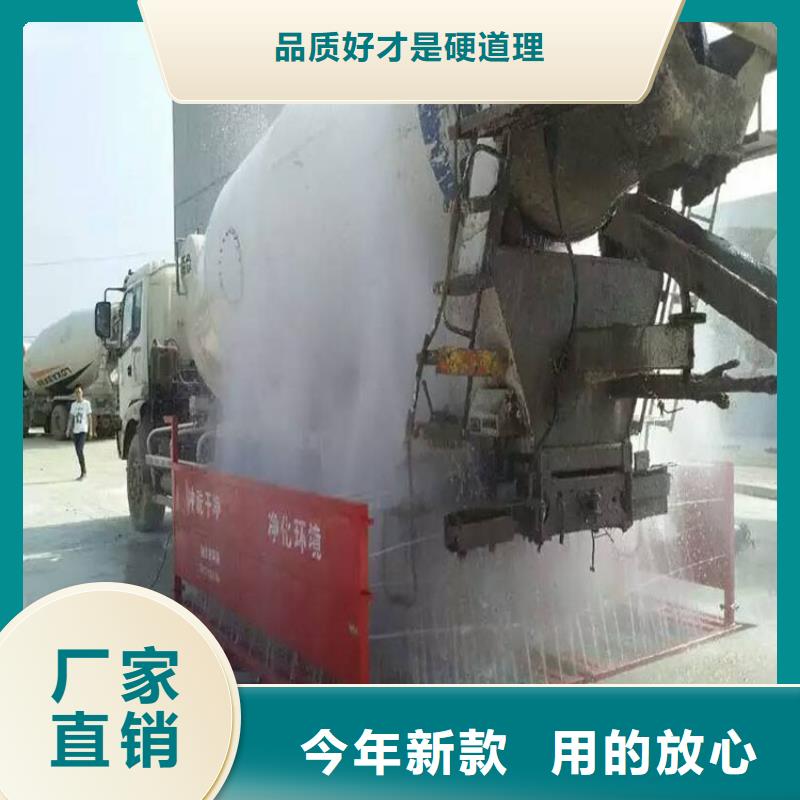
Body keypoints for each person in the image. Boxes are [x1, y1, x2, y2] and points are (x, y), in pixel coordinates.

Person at [66, 384, 93, 480]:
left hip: (83, 430)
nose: (78, 394)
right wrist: (68, 429)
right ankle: (82, 471)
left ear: (82, 393)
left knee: (80, 450)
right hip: (75, 431)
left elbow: (89, 418)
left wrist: (91, 430)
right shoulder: (73, 405)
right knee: (77, 452)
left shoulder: (86, 404)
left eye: (79, 392)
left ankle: (84, 472)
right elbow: (71, 418)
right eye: (76, 392)